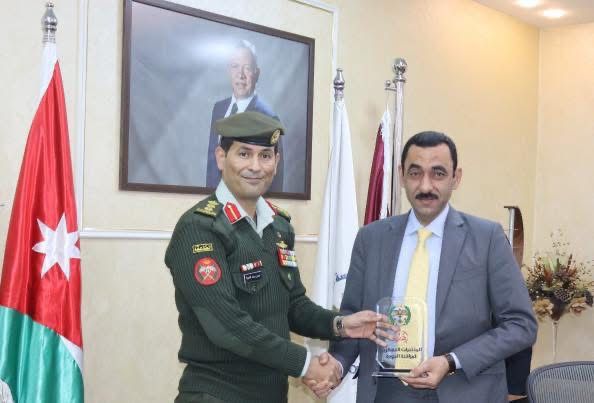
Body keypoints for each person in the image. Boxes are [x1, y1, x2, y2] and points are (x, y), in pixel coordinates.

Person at [166, 111, 392, 403]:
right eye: (244, 154)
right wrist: (306, 364)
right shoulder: (200, 228)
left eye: (265, 156)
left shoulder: (279, 227)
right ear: (221, 157)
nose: (255, 166)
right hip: (215, 394)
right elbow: (227, 326)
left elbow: (293, 305)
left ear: (276, 161)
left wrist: (340, 324)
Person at [327, 131, 537, 403]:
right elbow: (353, 317)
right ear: (402, 175)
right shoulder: (371, 238)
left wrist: (451, 361)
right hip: (387, 392)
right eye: (415, 173)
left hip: (464, 389)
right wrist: (337, 364)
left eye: (438, 173)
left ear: (456, 178)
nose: (425, 186)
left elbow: (521, 324)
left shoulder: (487, 238)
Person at [205, 40, 284, 192]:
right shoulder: (219, 109)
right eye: (235, 66)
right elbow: (212, 163)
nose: (240, 75)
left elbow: (274, 179)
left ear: (257, 74)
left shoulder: (269, 118)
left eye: (247, 68)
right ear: (229, 70)